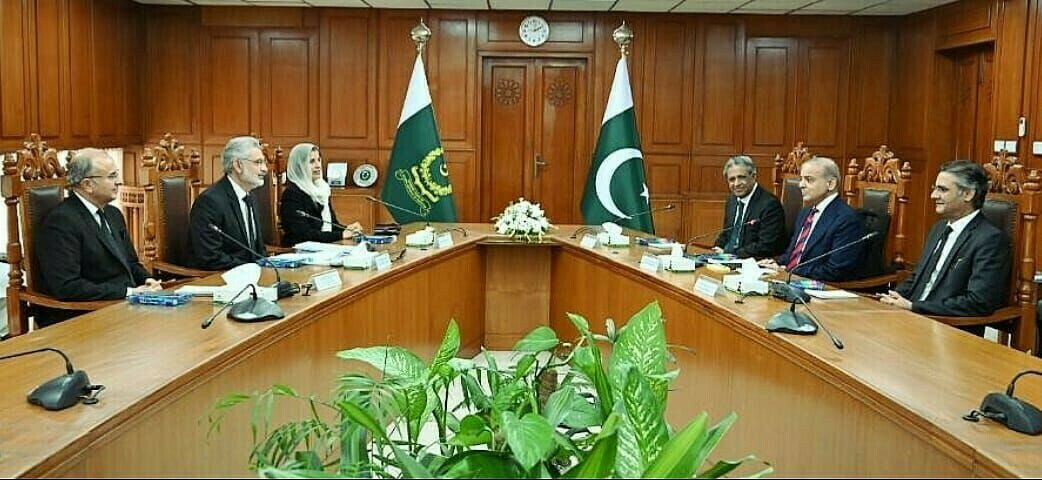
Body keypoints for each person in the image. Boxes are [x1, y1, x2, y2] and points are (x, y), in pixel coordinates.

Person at [35, 148, 161, 327]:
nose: (119, 181)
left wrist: (148, 281)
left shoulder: (113, 214)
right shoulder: (61, 222)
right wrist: (129, 293)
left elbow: (130, 263)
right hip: (86, 316)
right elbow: (68, 287)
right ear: (87, 185)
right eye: (111, 176)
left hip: (123, 306)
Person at [880, 160, 1010, 329]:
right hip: (912, 318)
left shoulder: (990, 239)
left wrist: (914, 307)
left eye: (942, 190)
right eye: (935, 188)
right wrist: (893, 298)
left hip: (947, 327)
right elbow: (916, 278)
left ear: (968, 194)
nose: (933, 195)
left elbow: (978, 302)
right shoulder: (939, 228)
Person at [759, 156, 865, 282]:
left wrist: (789, 271)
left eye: (809, 180)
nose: (801, 185)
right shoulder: (805, 212)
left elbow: (836, 270)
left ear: (830, 184)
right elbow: (793, 254)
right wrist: (775, 263)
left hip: (820, 287)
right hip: (792, 279)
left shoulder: (846, 219)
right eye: (801, 179)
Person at [187, 136, 269, 270]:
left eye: (264, 163)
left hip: (252, 274)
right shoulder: (209, 202)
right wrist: (251, 268)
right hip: (222, 277)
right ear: (238, 165)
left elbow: (257, 250)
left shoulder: (250, 197)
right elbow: (210, 257)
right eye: (258, 162)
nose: (265, 169)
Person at [279, 143, 362, 247]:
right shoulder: (292, 194)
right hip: (299, 251)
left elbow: (332, 225)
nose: (318, 166)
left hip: (323, 248)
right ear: (299, 166)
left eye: (319, 160)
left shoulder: (323, 190)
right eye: (311, 161)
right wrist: (341, 235)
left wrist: (348, 230)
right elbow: (303, 234)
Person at [712, 155, 786, 258]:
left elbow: (766, 246)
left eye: (741, 177)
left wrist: (730, 253)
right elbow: (726, 234)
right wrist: (717, 248)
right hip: (729, 259)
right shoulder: (732, 201)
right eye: (732, 179)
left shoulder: (770, 205)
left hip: (754, 261)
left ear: (753, 176)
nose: (736, 184)